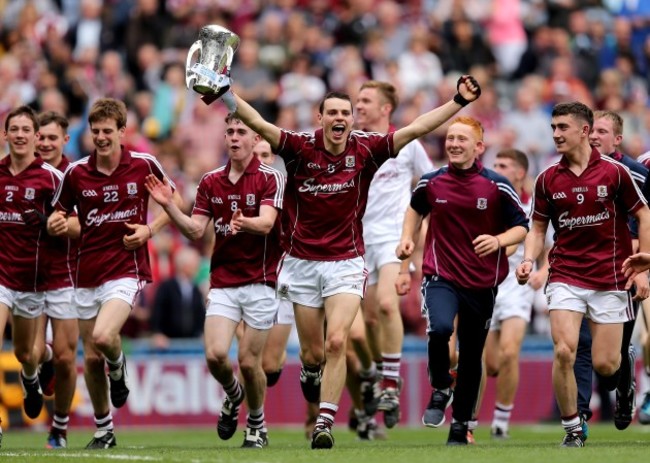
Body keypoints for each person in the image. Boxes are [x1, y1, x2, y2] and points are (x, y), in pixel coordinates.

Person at [213, 73, 481, 449]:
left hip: (346, 261)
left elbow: (418, 126)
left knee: (338, 340)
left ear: (352, 120)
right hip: (302, 263)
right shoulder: (298, 146)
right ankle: (311, 370)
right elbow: (257, 122)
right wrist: (226, 94)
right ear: (320, 118)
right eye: (332, 112)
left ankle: (325, 422)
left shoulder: (368, 148)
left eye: (346, 112)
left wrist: (458, 102)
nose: (340, 118)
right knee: (313, 353)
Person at [144, 114, 285, 449]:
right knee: (216, 355)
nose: (235, 137)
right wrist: (168, 207)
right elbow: (195, 229)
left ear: (254, 140)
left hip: (261, 281)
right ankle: (234, 395)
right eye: (230, 132)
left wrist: (243, 223)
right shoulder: (210, 181)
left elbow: (266, 224)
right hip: (223, 280)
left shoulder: (270, 178)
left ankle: (257, 424)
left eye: (242, 133)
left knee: (251, 362)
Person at [47, 98, 181, 449]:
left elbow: (174, 202)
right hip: (85, 272)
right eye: (96, 132)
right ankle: (104, 430)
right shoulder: (75, 173)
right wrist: (57, 222)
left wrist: (149, 231)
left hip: (126, 268)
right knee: (91, 358)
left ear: (123, 132)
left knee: (104, 338)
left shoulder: (143, 164)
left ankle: (119, 370)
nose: (102, 137)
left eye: (108, 131)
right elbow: (57, 214)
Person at [516, 101, 650, 447]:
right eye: (554, 128)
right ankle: (573, 428)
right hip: (566, 274)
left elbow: (645, 215)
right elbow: (537, 226)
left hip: (611, 276)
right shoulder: (547, 178)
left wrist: (644, 265)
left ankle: (624, 373)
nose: (556, 134)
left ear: (585, 131)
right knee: (564, 350)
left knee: (607, 366)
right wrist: (530, 259)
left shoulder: (614, 172)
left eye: (563, 127)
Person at [397, 115, 528, 445]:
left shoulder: (496, 185)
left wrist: (498, 240)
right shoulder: (432, 182)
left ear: (478, 147)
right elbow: (414, 209)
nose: (453, 144)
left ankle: (460, 427)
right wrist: (406, 238)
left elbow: (521, 226)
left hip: (482, 283)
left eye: (461, 139)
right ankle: (441, 386)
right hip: (441, 275)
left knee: (471, 356)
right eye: (450, 138)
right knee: (440, 328)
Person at [355, 80, 434, 429]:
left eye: (366, 101)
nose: (358, 106)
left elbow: (431, 186)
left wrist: (421, 237)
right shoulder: (350, 143)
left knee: (388, 305)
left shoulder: (407, 144)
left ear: (385, 109)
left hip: (393, 238)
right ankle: (376, 373)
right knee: (367, 323)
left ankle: (389, 381)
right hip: (356, 240)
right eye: (357, 99)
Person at [572, 109, 650, 432]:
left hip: (625, 272)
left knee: (611, 359)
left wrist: (642, 265)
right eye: (592, 131)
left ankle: (625, 385)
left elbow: (645, 219)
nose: (594, 137)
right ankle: (576, 418)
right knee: (576, 342)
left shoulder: (635, 173)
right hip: (582, 270)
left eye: (602, 132)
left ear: (617, 139)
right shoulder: (571, 171)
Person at [0, 106, 63, 442]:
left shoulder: (51, 178)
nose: (21, 135)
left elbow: (75, 222)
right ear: (6, 134)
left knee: (28, 353)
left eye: (27, 129)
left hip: (33, 281)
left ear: (35, 137)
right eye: (15, 129)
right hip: (1, 277)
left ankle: (31, 374)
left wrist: (55, 224)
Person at [34, 111, 81, 449]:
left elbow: (86, 223)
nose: (46, 143)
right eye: (42, 137)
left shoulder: (76, 175)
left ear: (65, 140)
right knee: (32, 352)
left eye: (53, 138)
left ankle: (60, 427)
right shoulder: (22, 173)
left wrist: (65, 225)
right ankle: (41, 362)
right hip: (30, 276)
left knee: (68, 358)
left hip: (69, 275)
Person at [484, 148, 535, 439]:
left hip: (518, 286)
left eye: (503, 165)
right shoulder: (485, 202)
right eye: (494, 164)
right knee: (490, 364)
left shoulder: (533, 206)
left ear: (519, 172)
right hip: (488, 284)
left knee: (509, 352)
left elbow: (549, 246)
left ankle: (501, 421)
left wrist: (541, 272)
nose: (496, 168)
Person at [251, 138, 293, 390]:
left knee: (269, 365)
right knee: (248, 359)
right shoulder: (233, 187)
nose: (260, 160)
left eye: (265, 155)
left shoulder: (287, 191)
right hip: (244, 276)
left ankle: (280, 358)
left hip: (282, 278)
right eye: (255, 154)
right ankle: (255, 423)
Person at [149, 246, 206, 349]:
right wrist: (158, 333)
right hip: (168, 344)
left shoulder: (196, 289)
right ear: (185, 266)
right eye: (195, 263)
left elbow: (200, 314)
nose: (198, 267)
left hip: (191, 343)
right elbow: (157, 312)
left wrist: (201, 333)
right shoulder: (166, 287)